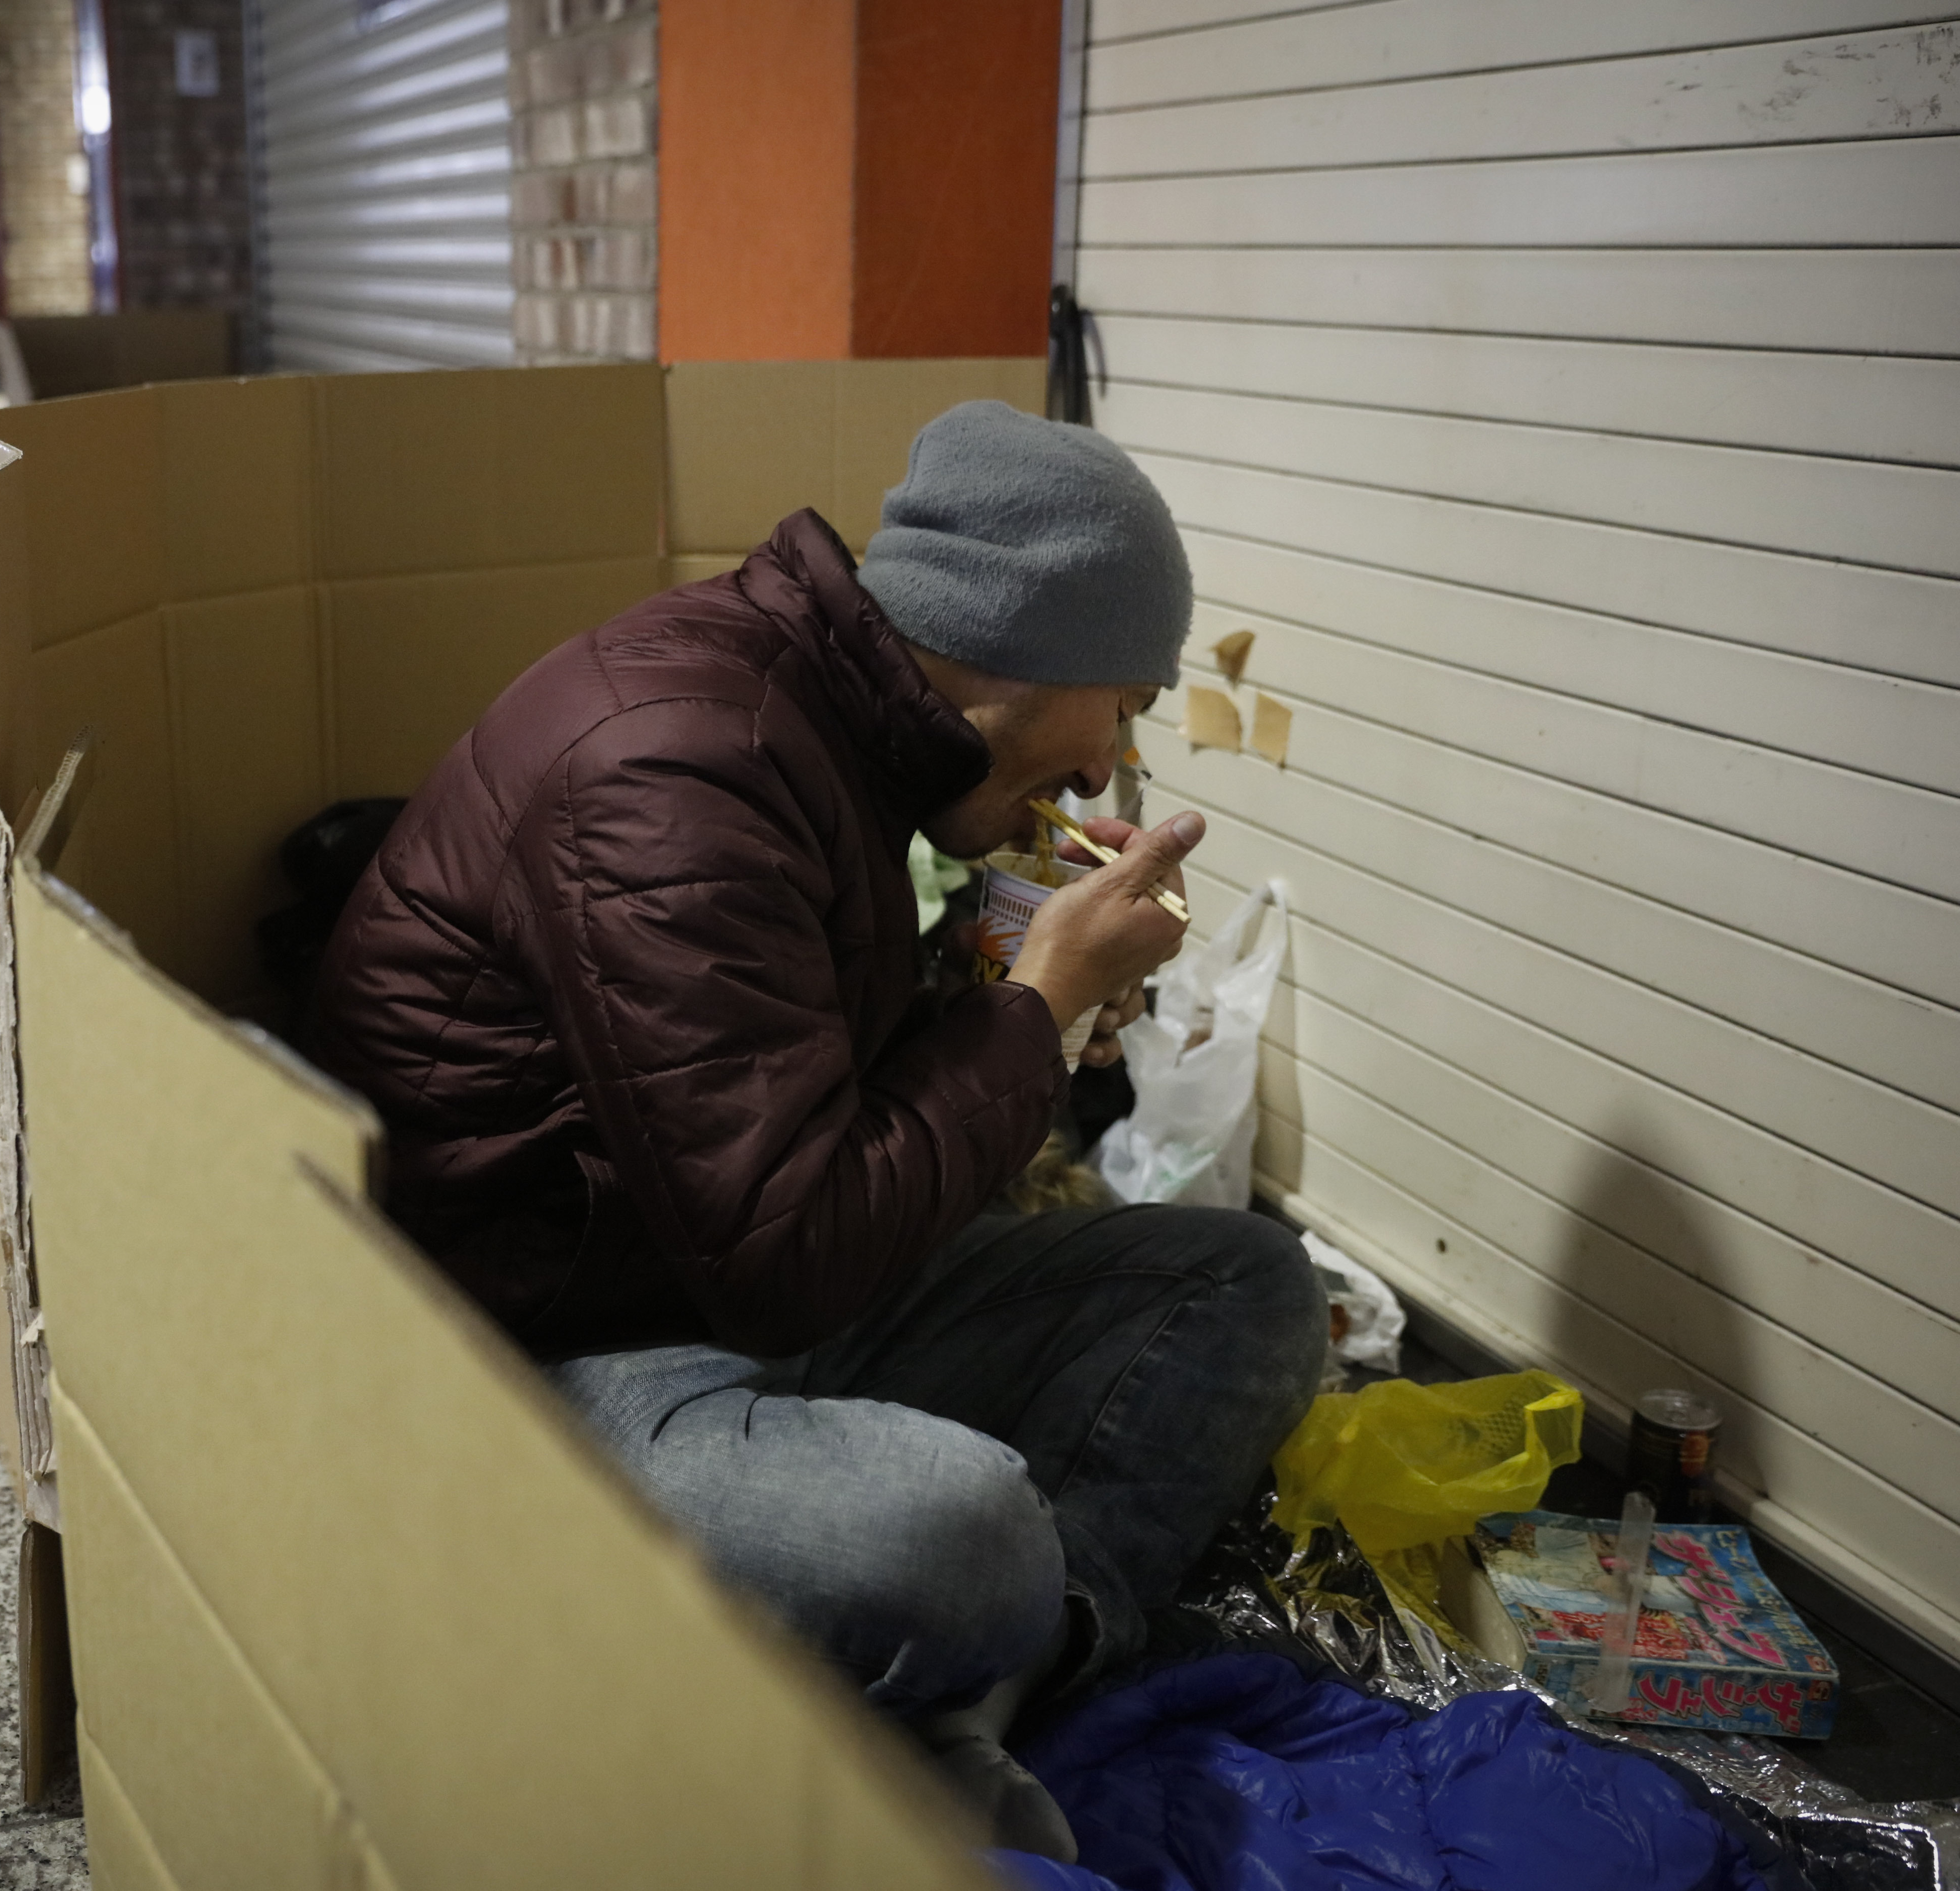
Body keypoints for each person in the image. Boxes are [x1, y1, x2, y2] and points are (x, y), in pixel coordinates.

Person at [308, 402, 1325, 1857]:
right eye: (1124, 701)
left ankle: (996, 1669)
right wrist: (1038, 1011)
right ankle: (966, 1643)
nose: (1108, 768)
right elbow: (786, 1258)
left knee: (1249, 1284)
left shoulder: (833, 731)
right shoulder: (682, 771)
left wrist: (990, 963)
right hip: (546, 1347)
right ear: (1015, 654)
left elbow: (790, 1110)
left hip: (706, 1262)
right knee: (955, 1528)